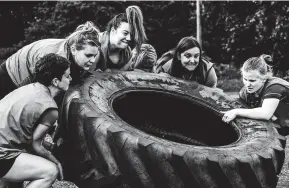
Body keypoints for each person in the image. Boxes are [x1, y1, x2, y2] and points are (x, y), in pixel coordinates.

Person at [0, 53, 72, 188]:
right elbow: (35, 145)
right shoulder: (50, 108)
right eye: (67, 76)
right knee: (50, 171)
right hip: (3, 154)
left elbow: (24, 133)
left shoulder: (29, 89)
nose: (71, 79)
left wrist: (49, 146)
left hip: (4, 146)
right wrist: (56, 161)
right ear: (56, 81)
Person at [0, 21, 100, 99]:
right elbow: (39, 94)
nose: (92, 60)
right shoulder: (55, 60)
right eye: (88, 55)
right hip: (10, 76)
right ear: (73, 49)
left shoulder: (76, 54)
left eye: (95, 56)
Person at [222, 54, 289, 135]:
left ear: (264, 79)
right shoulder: (244, 92)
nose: (247, 84)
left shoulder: (275, 87)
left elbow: (265, 113)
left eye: (252, 80)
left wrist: (236, 111)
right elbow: (246, 110)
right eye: (245, 79)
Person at [94, 5, 147, 72]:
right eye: (125, 33)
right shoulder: (95, 42)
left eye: (132, 35)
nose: (129, 38)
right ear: (113, 30)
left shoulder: (128, 55)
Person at [153, 36, 217, 88]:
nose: (192, 61)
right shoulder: (165, 69)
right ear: (179, 56)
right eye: (188, 56)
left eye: (196, 56)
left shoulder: (208, 71)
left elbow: (211, 98)